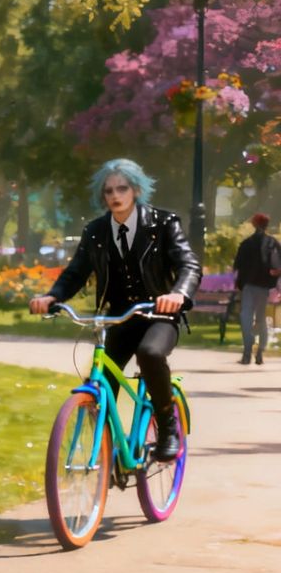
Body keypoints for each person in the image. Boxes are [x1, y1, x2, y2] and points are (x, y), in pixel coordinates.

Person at [30, 158, 201, 458]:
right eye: (108, 191)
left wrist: (177, 294)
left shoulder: (163, 223)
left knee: (149, 354)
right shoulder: (95, 231)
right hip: (119, 318)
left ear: (135, 190)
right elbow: (75, 273)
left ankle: (167, 426)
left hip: (158, 315)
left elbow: (189, 264)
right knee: (100, 379)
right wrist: (52, 297)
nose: (115, 196)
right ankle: (107, 447)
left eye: (122, 188)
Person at [233, 212, 281, 364]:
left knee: (246, 317)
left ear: (254, 224)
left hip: (249, 286)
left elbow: (238, 267)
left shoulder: (247, 243)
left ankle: (247, 352)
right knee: (261, 319)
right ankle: (260, 351)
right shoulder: (273, 243)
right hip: (266, 287)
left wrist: (239, 285)